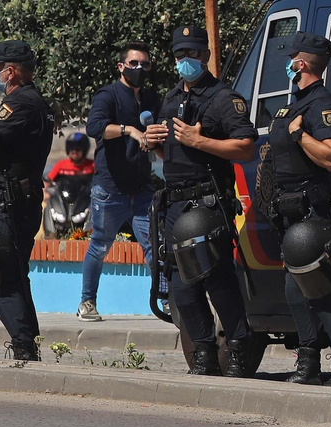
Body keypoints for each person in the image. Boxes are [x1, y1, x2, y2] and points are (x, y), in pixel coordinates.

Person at [145, 25, 261, 376]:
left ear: (205, 57)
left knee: (217, 279)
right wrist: (152, 142)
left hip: (208, 203)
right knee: (181, 286)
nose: (185, 62)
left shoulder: (224, 98)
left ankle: (239, 347)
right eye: (180, 56)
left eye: (192, 55)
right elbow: (169, 153)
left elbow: (245, 147)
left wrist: (201, 142)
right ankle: (204, 353)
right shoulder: (170, 98)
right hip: (176, 204)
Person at [267, 32, 331, 387]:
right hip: (288, 214)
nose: (287, 64)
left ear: (300, 64)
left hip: (311, 213)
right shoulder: (293, 105)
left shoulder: (322, 105)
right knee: (294, 290)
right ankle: (308, 363)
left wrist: (301, 136)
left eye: (291, 59)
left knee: (324, 289)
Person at [0, 40, 55, 360]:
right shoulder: (30, 103)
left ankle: (24, 344)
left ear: (11, 72)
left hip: (9, 205)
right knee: (12, 274)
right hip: (10, 201)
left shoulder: (20, 104)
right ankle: (26, 344)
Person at [81, 42, 162, 321]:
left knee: (155, 245)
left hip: (142, 189)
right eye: (133, 64)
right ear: (121, 67)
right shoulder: (108, 96)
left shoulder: (152, 99)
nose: (139, 69)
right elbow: (95, 127)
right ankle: (87, 303)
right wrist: (130, 131)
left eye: (145, 64)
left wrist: (154, 136)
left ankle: (167, 300)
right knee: (100, 245)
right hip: (109, 189)